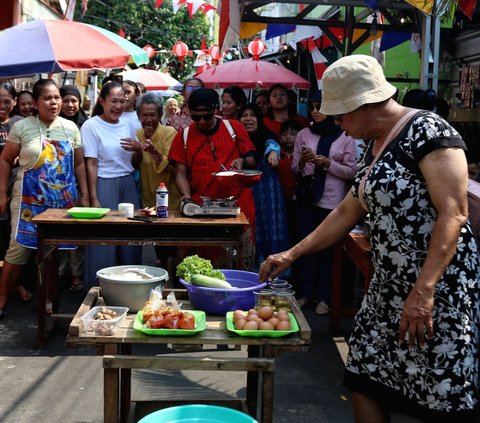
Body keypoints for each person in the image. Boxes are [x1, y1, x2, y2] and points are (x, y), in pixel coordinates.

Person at [260, 55, 480, 422]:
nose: (342, 128)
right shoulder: (372, 144)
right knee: (364, 374)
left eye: (342, 116)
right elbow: (349, 209)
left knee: (440, 388)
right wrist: (292, 253)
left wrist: (423, 291)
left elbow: (453, 213)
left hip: (437, 288)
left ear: (365, 105)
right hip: (388, 284)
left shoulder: (430, 132)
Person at [0, 79, 89, 317]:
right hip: (28, 200)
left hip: (62, 201)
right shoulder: (23, 127)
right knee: (18, 249)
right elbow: (6, 160)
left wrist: (87, 195)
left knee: (54, 251)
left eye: (57, 97)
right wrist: (1, 193)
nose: (54, 102)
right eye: (48, 98)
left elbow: (79, 163)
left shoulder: (70, 128)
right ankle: (1, 298)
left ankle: (49, 301)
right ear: (36, 102)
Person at [168, 88, 257, 269]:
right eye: (195, 117)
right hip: (201, 208)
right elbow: (180, 173)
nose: (201, 122)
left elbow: (252, 160)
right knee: (202, 265)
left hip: (237, 207)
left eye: (206, 117)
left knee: (237, 262)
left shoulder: (234, 128)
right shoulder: (183, 136)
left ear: (216, 109)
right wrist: (186, 197)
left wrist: (241, 161)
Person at [291, 90, 357, 314]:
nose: (315, 111)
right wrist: (303, 162)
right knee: (306, 248)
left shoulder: (345, 135)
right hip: (307, 198)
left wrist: (328, 164)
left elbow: (352, 172)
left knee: (328, 252)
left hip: (332, 200)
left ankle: (325, 298)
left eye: (320, 106)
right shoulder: (304, 134)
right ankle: (306, 293)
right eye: (312, 106)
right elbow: (294, 169)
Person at [81, 82, 142, 290]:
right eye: (113, 101)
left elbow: (135, 161)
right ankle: (96, 292)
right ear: (102, 101)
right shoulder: (91, 125)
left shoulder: (128, 124)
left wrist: (138, 149)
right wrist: (93, 196)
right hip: (103, 182)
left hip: (128, 183)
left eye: (122, 102)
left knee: (131, 241)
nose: (118, 106)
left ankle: (132, 291)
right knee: (102, 244)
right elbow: (91, 162)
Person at [124, 93, 180, 279]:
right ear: (139, 115)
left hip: (170, 197)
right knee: (157, 242)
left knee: (171, 243)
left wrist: (153, 151)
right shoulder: (138, 134)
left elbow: (170, 165)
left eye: (153, 115)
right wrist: (137, 151)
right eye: (144, 115)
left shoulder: (169, 133)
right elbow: (136, 165)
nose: (148, 119)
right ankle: (163, 279)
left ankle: (171, 281)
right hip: (148, 198)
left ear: (159, 115)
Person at [239, 103, 289, 269]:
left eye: (252, 115)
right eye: (244, 115)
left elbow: (272, 146)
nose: (248, 119)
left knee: (269, 231)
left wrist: (273, 154)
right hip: (244, 194)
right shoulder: (235, 139)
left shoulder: (268, 136)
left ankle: (275, 274)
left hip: (267, 195)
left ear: (259, 119)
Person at [59, 85, 89, 291]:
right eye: (66, 100)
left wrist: (86, 192)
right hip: (53, 188)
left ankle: (77, 275)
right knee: (57, 233)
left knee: (76, 233)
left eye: (74, 101)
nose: (70, 105)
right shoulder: (50, 125)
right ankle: (59, 274)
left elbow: (84, 162)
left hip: (77, 185)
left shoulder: (86, 126)